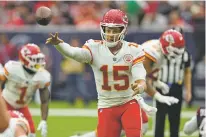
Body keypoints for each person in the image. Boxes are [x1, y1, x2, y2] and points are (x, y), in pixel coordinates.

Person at [46, 9, 180, 137]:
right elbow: (75, 54)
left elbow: (140, 76)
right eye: (108, 29)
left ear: (123, 30)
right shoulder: (95, 48)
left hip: (129, 103)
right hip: (106, 105)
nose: (110, 34)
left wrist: (140, 86)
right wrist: (59, 44)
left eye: (115, 30)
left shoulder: (133, 50)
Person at [141, 28, 191, 137]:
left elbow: (149, 75)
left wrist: (157, 82)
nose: (177, 54)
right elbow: (142, 81)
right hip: (124, 89)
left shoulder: (161, 52)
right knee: (140, 127)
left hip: (135, 88)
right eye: (175, 49)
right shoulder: (151, 53)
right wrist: (159, 96)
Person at [0, 43, 51, 137]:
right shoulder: (12, 68)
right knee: (6, 131)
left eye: (39, 59)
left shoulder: (43, 76)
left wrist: (44, 120)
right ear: (24, 59)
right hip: (6, 103)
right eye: (34, 59)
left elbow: (44, 100)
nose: (38, 63)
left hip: (23, 107)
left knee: (31, 134)